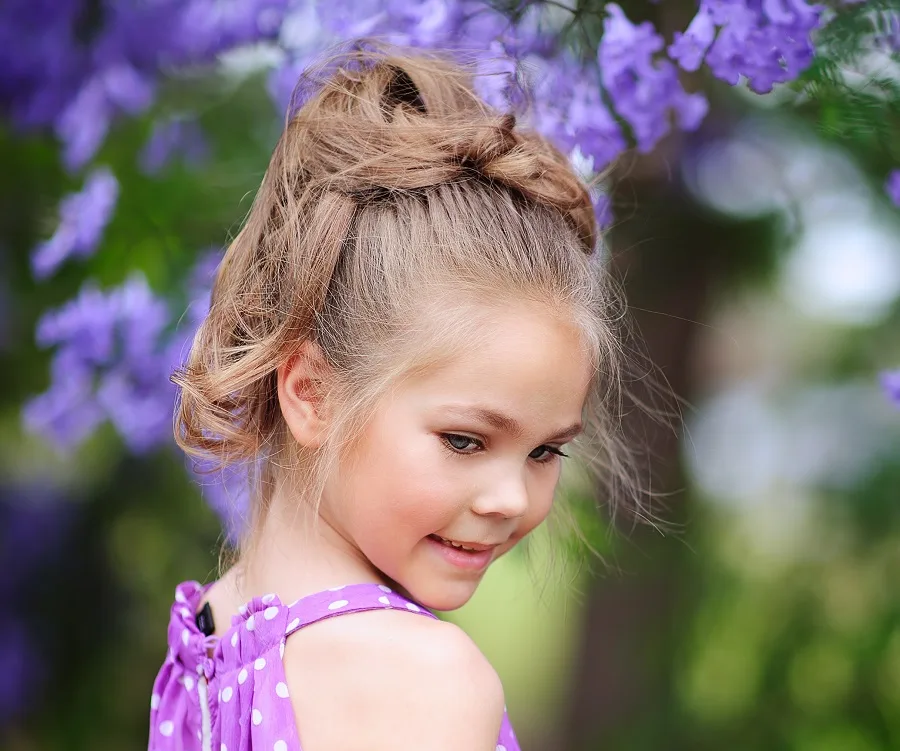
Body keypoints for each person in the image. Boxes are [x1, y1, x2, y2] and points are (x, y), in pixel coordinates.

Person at [148, 42, 648, 751]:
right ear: (312, 393)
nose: (511, 496)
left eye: (545, 449)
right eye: (465, 439)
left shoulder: (210, 638)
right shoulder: (419, 679)